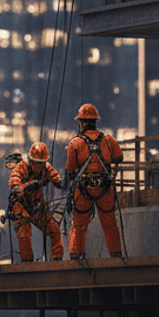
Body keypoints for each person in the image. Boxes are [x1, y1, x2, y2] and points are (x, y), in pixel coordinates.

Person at [65, 103, 124, 259]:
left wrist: (68, 189)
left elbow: (70, 170)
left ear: (81, 122)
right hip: (104, 186)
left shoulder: (75, 143)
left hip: (83, 188)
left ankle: (75, 258)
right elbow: (119, 157)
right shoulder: (107, 139)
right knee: (109, 223)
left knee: (79, 224)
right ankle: (116, 257)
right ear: (95, 121)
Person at [7, 142, 64, 262]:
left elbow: (58, 181)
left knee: (54, 231)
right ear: (31, 160)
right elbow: (14, 184)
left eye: (42, 163)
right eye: (37, 163)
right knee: (24, 235)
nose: (40, 166)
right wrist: (27, 186)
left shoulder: (47, 167)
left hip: (37, 206)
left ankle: (57, 260)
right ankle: (27, 264)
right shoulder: (21, 167)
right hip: (21, 206)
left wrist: (68, 181)